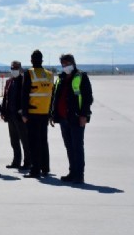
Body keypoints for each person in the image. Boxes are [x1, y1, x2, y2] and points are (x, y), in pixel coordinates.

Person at [51, 54, 93, 184]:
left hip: (76, 118)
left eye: (66, 63)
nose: (65, 66)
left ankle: (79, 175)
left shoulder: (81, 76)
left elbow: (87, 98)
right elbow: (55, 97)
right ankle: (72, 172)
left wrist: (84, 115)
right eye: (63, 64)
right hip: (63, 118)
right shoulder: (61, 78)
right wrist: (53, 114)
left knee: (77, 147)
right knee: (69, 147)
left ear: (73, 63)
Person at [21, 49, 53, 179]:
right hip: (45, 112)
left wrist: (24, 113)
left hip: (33, 112)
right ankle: (45, 168)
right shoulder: (49, 74)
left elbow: (24, 94)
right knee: (43, 141)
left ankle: (35, 170)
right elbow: (51, 94)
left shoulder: (29, 73)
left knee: (33, 142)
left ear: (31, 60)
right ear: (42, 60)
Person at [0, 60, 30, 170]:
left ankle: (28, 162)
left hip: (20, 116)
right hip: (10, 115)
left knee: (25, 140)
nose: (14, 70)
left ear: (20, 69)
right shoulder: (9, 82)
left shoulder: (24, 81)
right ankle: (16, 161)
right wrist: (3, 111)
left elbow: (26, 98)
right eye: (12, 68)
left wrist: (24, 112)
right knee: (14, 140)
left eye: (16, 68)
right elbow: (5, 98)